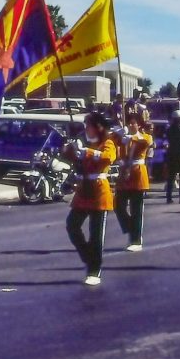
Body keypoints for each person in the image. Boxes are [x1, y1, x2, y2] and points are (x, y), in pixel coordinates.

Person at [64, 112, 117, 286]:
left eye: (89, 125)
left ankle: (94, 271)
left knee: (96, 234)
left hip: (99, 190)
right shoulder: (85, 143)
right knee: (72, 225)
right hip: (84, 189)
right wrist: (70, 150)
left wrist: (87, 152)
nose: (86, 128)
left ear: (98, 127)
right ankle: (88, 256)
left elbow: (109, 158)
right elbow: (75, 163)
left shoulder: (107, 143)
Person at [114, 114, 153, 251]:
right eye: (129, 123)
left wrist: (131, 137)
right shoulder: (123, 137)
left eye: (133, 123)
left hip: (137, 174)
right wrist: (117, 133)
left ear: (139, 125)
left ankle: (136, 240)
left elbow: (146, 142)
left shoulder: (144, 137)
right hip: (124, 174)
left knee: (136, 209)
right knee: (118, 205)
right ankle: (131, 228)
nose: (130, 125)